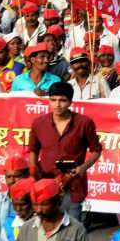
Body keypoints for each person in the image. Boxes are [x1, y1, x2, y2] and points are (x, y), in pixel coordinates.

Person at [27, 81, 102, 213]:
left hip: (73, 184)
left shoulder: (84, 123)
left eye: (62, 100)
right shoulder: (39, 123)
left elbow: (96, 150)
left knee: (72, 226)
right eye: (53, 100)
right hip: (45, 182)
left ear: (70, 102)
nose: (57, 104)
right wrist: (33, 172)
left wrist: (83, 168)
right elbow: (33, 149)